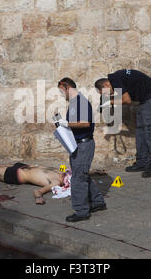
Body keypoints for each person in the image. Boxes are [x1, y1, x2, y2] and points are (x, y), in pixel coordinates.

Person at [95, 69, 151, 178]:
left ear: (107, 84)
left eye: (106, 92)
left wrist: (110, 102)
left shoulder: (115, 79)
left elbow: (127, 100)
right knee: (140, 133)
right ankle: (142, 163)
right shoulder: (115, 81)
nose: (109, 94)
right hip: (144, 102)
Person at [55, 78, 106, 222]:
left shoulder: (80, 102)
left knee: (78, 178)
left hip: (84, 145)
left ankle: (82, 211)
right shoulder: (73, 103)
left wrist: (67, 124)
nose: (61, 94)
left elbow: (84, 123)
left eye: (61, 90)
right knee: (81, 174)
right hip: (77, 144)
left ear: (67, 87)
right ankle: (98, 202)